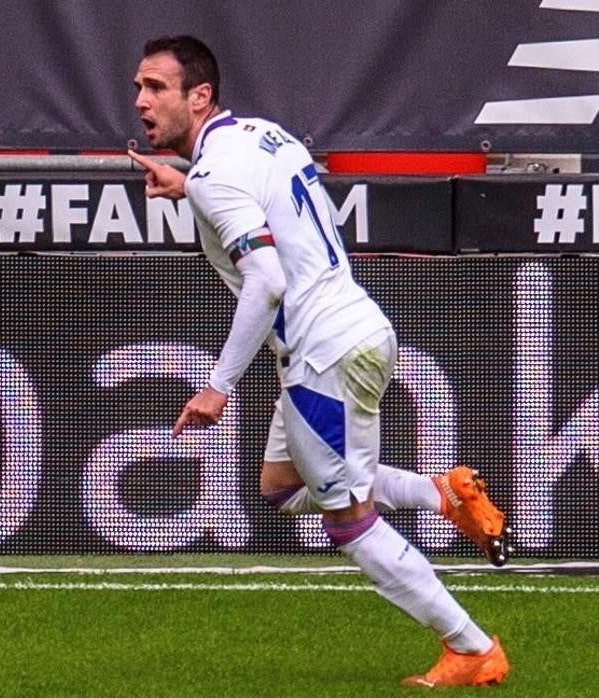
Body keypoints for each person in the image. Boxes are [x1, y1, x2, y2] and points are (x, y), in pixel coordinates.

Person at [128, 36, 509, 687]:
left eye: (156, 87)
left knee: (349, 518)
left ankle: (472, 648)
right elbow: (258, 204)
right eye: (138, 86)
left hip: (322, 354)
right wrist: (189, 185)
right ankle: (443, 495)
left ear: (200, 96)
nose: (140, 101)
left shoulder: (216, 176)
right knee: (280, 488)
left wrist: (219, 386)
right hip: (352, 332)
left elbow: (267, 281)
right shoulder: (258, 136)